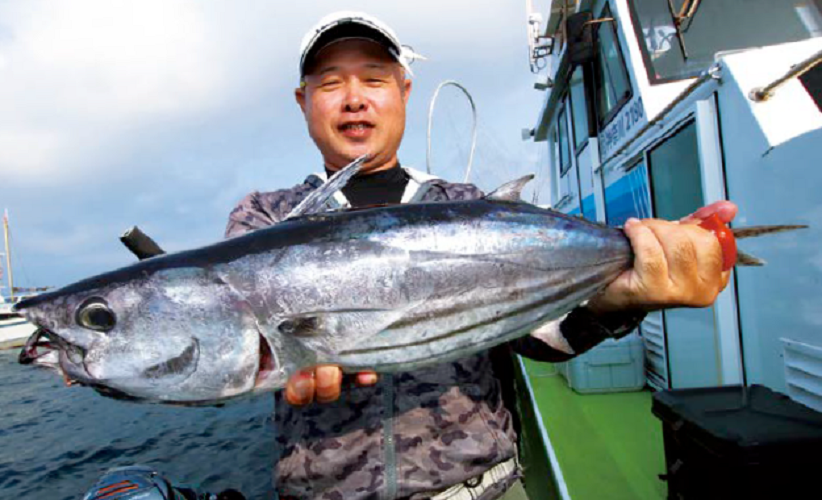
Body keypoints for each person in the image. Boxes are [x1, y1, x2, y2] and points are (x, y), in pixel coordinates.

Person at [225, 12, 735, 500]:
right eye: (332, 83)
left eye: (375, 80)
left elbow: (538, 341)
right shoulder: (265, 219)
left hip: (482, 489)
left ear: (404, 91)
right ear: (303, 99)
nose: (355, 99)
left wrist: (620, 302)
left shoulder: (463, 204)